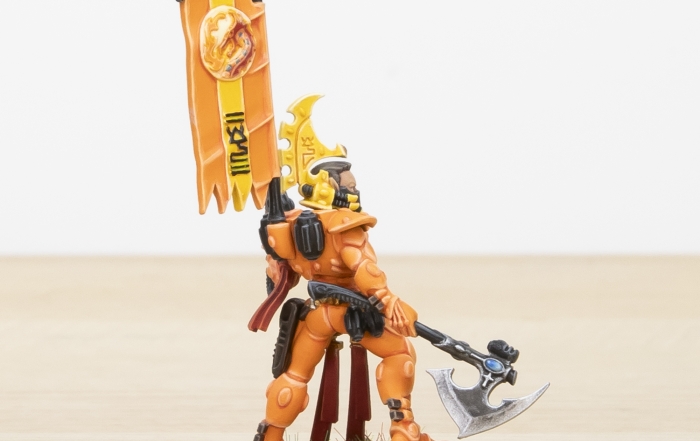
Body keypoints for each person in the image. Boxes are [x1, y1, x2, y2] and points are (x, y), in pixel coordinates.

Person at [254, 161, 433, 441]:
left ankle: (271, 434)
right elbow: (364, 269)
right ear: (328, 188)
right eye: (349, 187)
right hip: (353, 314)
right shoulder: (345, 225)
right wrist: (389, 301)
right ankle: (403, 428)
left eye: (354, 187)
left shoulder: (289, 226)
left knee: (294, 376)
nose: (355, 192)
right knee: (399, 353)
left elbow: (278, 276)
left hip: (318, 317)